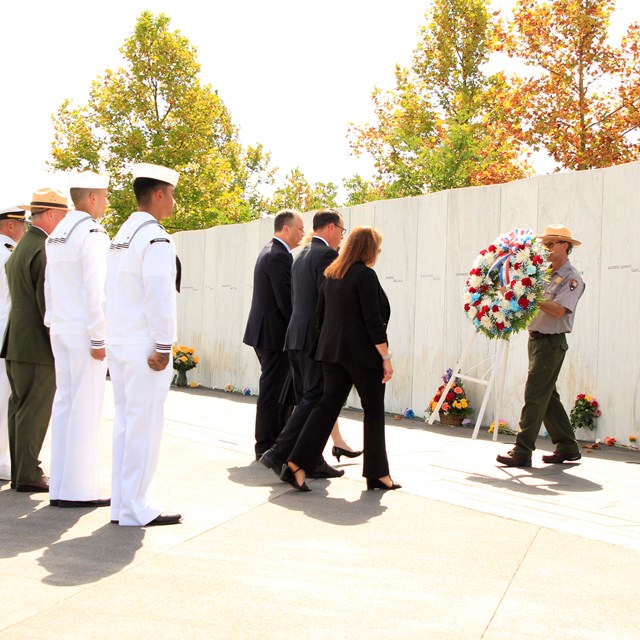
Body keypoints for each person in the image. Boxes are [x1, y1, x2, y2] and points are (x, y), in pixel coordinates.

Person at [282, 226, 400, 492]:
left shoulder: (331, 274)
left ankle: (296, 464)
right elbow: (373, 322)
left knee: (327, 407)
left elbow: (320, 318)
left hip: (331, 353)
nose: (378, 253)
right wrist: (386, 356)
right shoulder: (365, 276)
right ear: (368, 249)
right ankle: (378, 474)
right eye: (377, 248)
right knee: (373, 410)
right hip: (362, 356)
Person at [106, 162, 181, 527]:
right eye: (172, 195)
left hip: (120, 339)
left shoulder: (121, 236)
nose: (173, 202)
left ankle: (123, 503)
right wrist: (165, 344)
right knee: (145, 425)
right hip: (144, 345)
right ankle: (137, 506)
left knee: (126, 424)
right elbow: (158, 293)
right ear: (159, 194)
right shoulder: (156, 237)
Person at [260, 209, 352, 479]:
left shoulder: (300, 253)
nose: (341, 238)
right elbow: (330, 302)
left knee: (308, 400)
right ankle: (279, 453)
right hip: (314, 339)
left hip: (296, 337)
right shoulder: (326, 255)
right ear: (332, 228)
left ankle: (308, 459)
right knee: (318, 398)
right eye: (342, 231)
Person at [44, 171, 111, 508]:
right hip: (85, 331)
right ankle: (80, 490)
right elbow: (96, 291)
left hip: (60, 328)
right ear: (93, 198)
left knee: (65, 406)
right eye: (105, 196)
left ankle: (60, 486)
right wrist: (100, 338)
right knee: (85, 408)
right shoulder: (92, 234)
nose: (108, 202)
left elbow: (49, 286)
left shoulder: (56, 234)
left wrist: (51, 321)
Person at [496, 224, 585, 468]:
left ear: (565, 246)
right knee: (547, 396)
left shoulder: (572, 278)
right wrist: (512, 295)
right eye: (544, 244)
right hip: (535, 339)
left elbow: (558, 310)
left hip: (551, 342)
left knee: (535, 394)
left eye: (551, 244)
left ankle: (522, 451)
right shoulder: (543, 272)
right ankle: (567, 446)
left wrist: (531, 297)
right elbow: (529, 303)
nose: (545, 248)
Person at [2, 189, 69, 492]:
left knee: (19, 406)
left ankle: (21, 471)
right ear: (52, 215)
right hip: (35, 344)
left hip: (17, 338)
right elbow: (47, 303)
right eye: (64, 216)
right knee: (34, 409)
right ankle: (28, 473)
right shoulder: (42, 248)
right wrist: (57, 340)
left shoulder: (23, 246)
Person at [243, 210, 305, 459]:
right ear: (286, 228)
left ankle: (274, 441)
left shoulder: (272, 251)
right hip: (274, 335)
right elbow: (286, 302)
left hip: (267, 332)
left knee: (278, 389)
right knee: (273, 390)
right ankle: (266, 445)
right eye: (300, 228)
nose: (303, 233)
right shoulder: (279, 256)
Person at [0, 207, 26, 481]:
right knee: (4, 397)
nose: (23, 230)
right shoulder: (9, 254)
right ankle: (2, 460)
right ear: (9, 226)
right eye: (22, 224)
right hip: (5, 333)